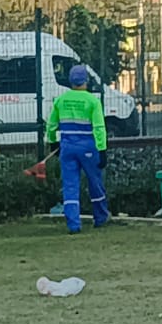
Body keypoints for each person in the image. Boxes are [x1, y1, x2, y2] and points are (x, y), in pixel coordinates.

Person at [45, 65, 110, 234]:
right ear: (86, 81)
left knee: (70, 186)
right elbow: (99, 127)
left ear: (70, 81)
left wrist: (53, 143)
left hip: (67, 147)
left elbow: (51, 125)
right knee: (94, 182)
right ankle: (100, 217)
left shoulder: (61, 100)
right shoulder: (92, 101)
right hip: (88, 146)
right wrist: (102, 150)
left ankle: (73, 224)